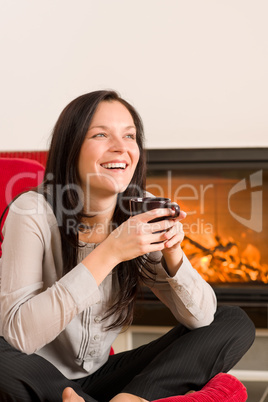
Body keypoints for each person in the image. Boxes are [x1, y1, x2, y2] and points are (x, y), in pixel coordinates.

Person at [0, 90, 255, 402]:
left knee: (233, 321)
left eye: (129, 135)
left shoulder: (141, 211)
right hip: (33, 372)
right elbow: (19, 337)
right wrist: (110, 252)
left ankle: (130, 399)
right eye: (101, 134)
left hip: (103, 376)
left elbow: (200, 319)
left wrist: (173, 255)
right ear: (72, 146)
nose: (121, 148)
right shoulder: (32, 211)